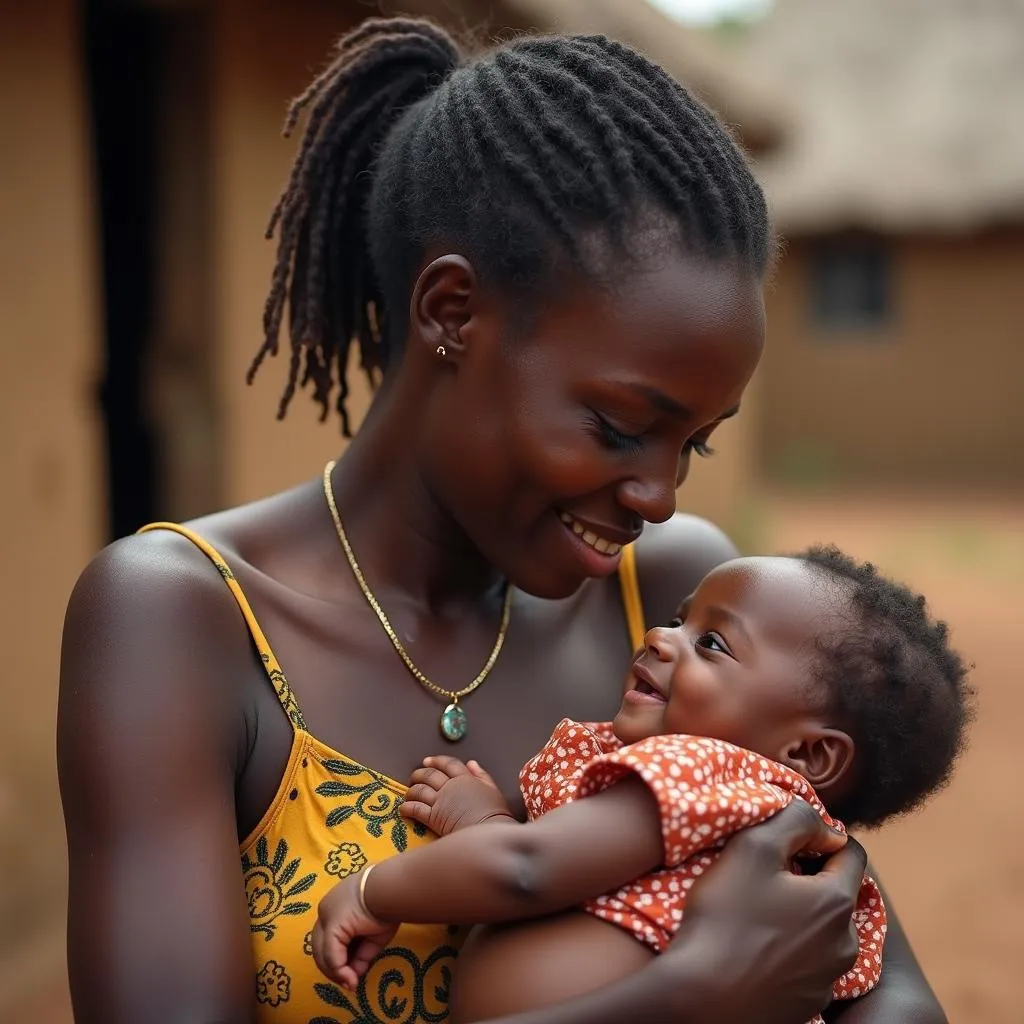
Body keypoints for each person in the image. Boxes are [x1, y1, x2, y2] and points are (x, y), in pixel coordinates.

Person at [57, 16, 948, 1024]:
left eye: (690, 443)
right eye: (618, 426)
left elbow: (881, 978)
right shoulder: (183, 622)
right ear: (451, 312)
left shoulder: (671, 599)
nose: (658, 495)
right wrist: (689, 997)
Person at [312, 546, 973, 1023]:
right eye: (681, 619)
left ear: (807, 752)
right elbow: (570, 874)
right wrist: (487, 826)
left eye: (712, 644)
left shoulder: (701, 775)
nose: (661, 637)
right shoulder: (760, 828)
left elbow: (528, 871)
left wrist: (376, 891)